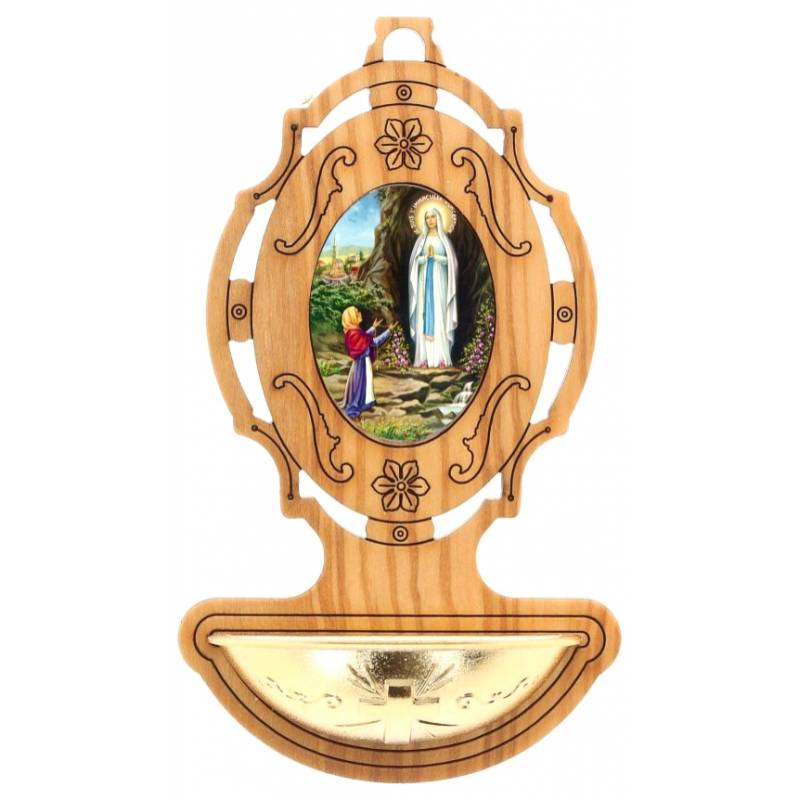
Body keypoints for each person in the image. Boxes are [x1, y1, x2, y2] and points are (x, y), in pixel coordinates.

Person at [408, 207, 458, 367]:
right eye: (427, 217)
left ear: (438, 218)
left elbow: (451, 263)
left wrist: (436, 257)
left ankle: (441, 358)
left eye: (433, 217)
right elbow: (414, 262)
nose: (430, 220)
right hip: (424, 282)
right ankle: (424, 359)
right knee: (422, 315)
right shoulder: (421, 240)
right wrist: (424, 258)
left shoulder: (444, 240)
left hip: (439, 281)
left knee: (440, 315)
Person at [340, 306, 394, 419]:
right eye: (357, 312)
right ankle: (361, 404)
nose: (360, 313)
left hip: (360, 363)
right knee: (362, 384)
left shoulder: (352, 332)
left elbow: (364, 337)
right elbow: (373, 342)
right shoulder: (355, 333)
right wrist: (388, 331)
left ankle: (365, 402)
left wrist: (373, 328)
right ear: (352, 317)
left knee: (362, 384)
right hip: (362, 364)